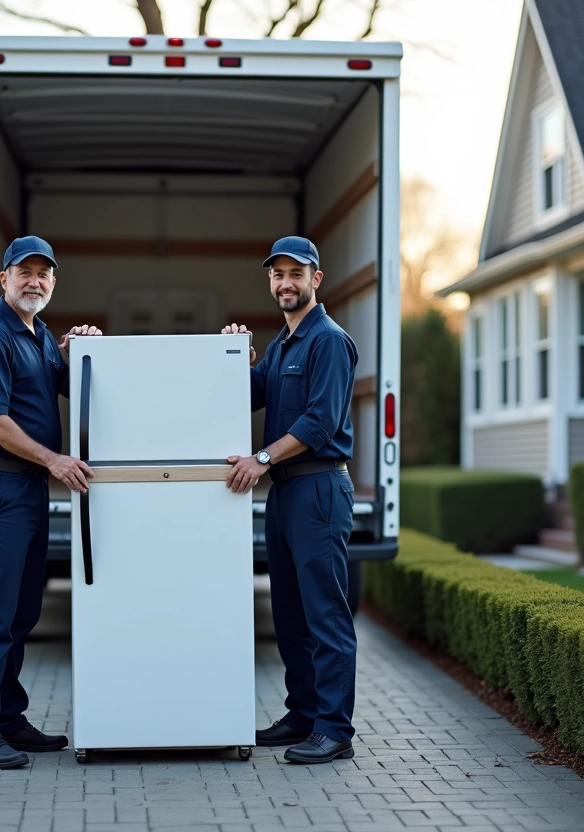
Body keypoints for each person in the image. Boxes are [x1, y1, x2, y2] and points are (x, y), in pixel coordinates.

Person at [0, 235, 101, 769]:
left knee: (22, 612)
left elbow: (65, 386)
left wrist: (78, 348)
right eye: (25, 272)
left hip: (28, 489)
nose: (34, 280)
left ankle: (9, 719)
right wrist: (55, 460)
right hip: (0, 488)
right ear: (4, 278)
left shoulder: (38, 335)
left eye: (44, 273)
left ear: (53, 282)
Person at [222, 235, 359, 764]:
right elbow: (246, 393)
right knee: (291, 615)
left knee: (325, 614)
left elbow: (321, 422)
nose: (285, 283)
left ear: (315, 279)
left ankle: (334, 730)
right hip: (285, 494)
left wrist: (260, 458)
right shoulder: (281, 345)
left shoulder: (328, 340)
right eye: (277, 275)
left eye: (295, 274)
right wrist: (234, 352)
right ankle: (303, 713)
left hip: (318, 489)